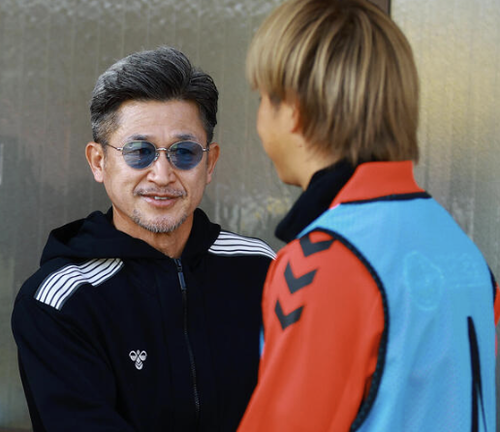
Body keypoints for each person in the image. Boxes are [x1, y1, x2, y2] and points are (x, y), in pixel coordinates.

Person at [237, 1, 500, 431]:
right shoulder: (461, 249)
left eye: (264, 99)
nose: (259, 119)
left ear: (295, 110)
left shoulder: (324, 261)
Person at [12, 46, 275, 432]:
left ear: (210, 162)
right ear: (99, 162)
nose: (162, 175)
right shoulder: (59, 301)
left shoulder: (261, 268)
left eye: (184, 152)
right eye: (139, 151)